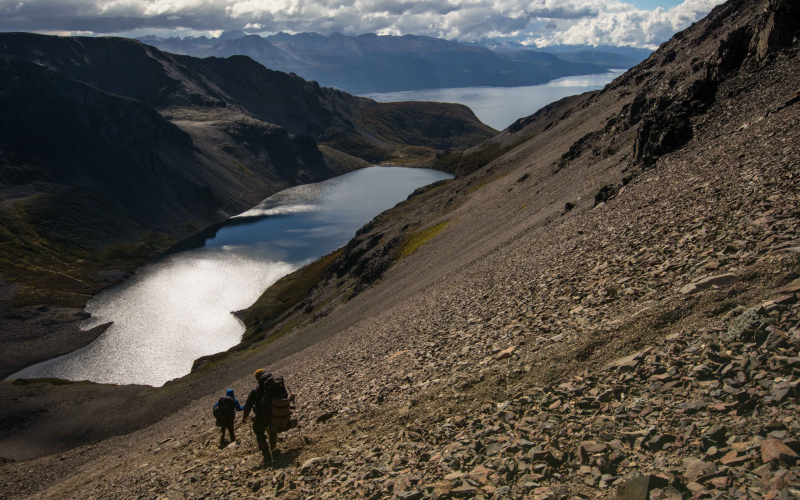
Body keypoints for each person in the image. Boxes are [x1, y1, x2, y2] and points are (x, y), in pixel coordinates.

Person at [242, 369, 292, 462]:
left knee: (259, 431)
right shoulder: (276, 386)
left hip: (262, 417)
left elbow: (248, 405)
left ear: (258, 379)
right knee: (272, 425)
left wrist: (245, 416)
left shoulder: (256, 391)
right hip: (275, 414)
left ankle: (266, 454)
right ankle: (273, 445)